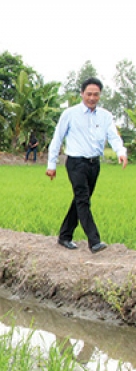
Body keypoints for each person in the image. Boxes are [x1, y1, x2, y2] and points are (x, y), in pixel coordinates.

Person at [47, 77, 127, 254]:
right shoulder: (70, 114)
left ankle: (65, 235)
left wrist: (120, 152)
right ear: (82, 94)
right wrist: (51, 164)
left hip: (94, 164)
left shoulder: (105, 116)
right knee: (83, 199)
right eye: (89, 94)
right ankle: (94, 241)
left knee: (80, 200)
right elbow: (57, 138)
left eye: (96, 94)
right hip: (76, 163)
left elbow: (113, 136)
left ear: (100, 95)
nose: (92, 98)